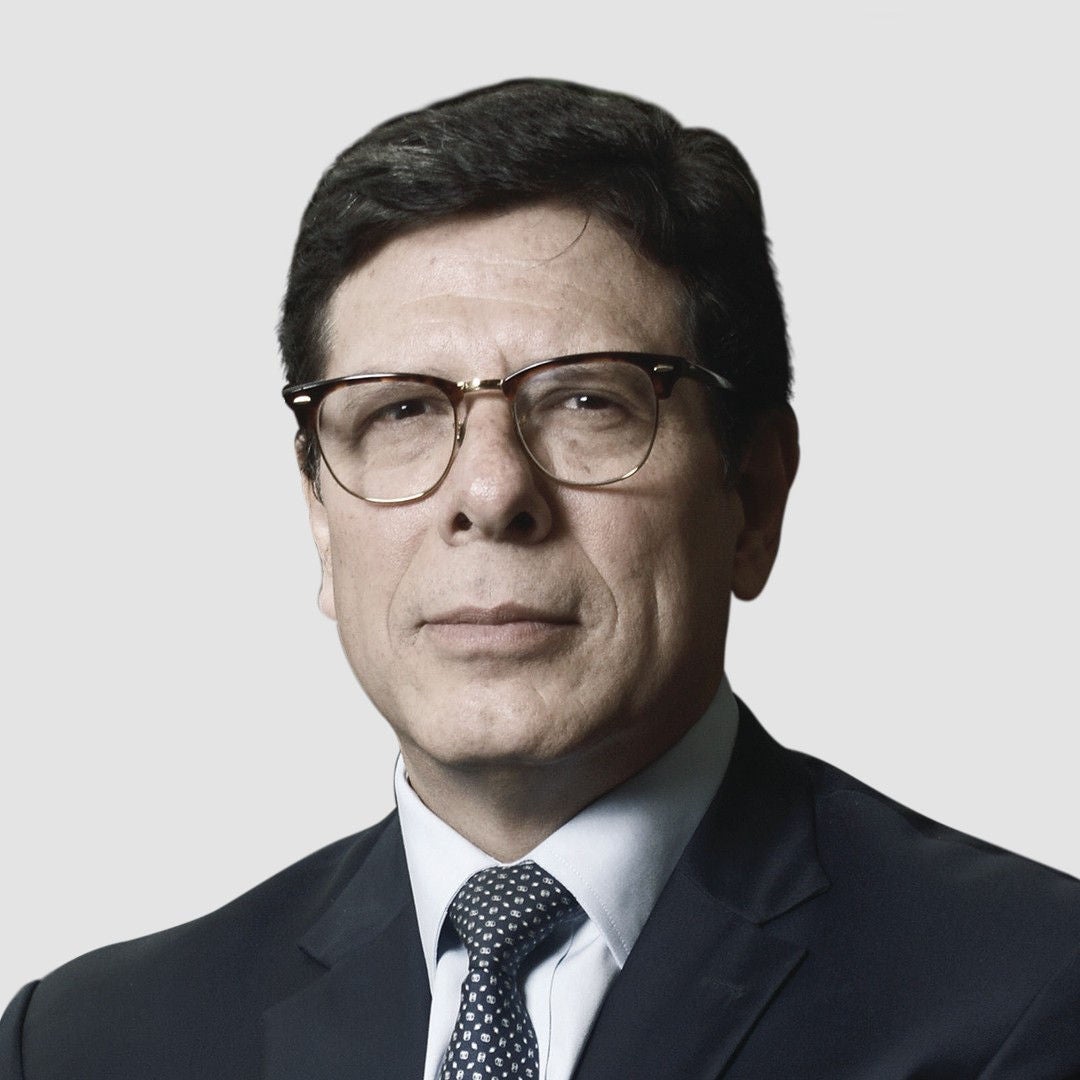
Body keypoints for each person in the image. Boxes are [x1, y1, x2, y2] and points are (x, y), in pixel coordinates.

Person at [3, 78, 1078, 1080]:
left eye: (587, 401)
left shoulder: (1030, 995)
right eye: (401, 410)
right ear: (322, 522)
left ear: (752, 494)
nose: (489, 493)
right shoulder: (87, 1045)